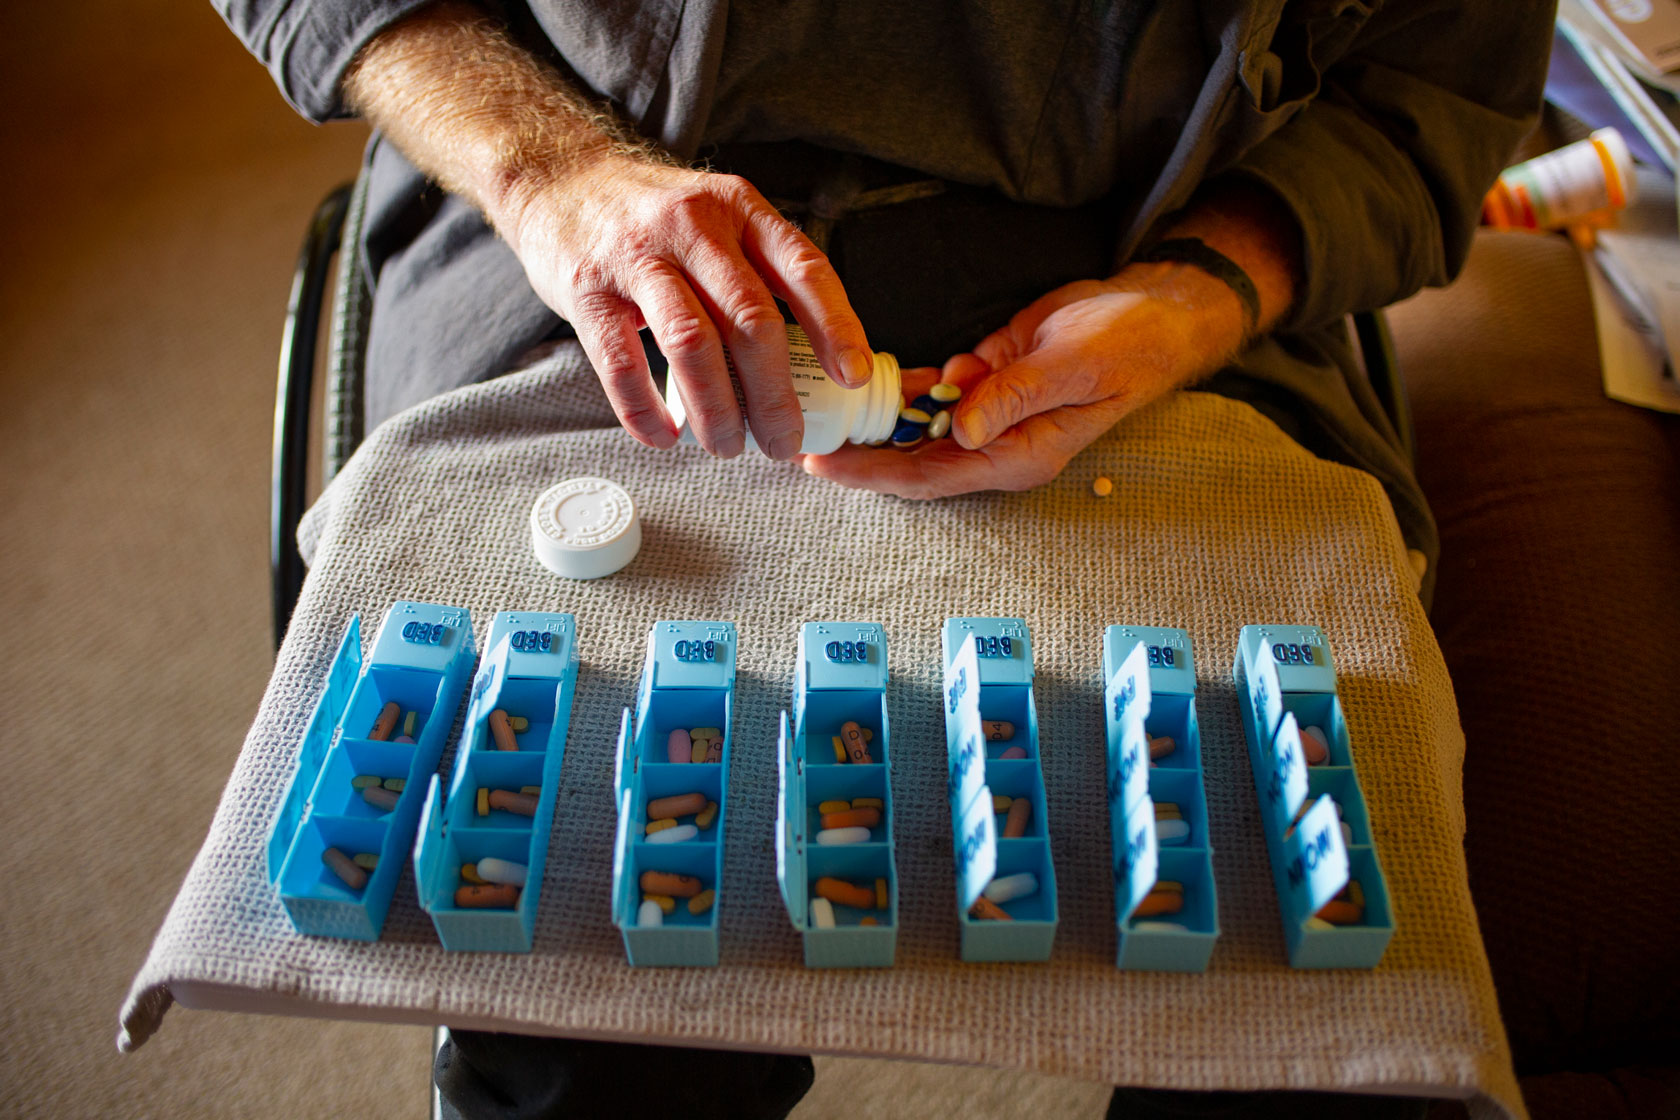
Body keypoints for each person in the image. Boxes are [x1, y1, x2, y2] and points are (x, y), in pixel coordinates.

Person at [216, 1, 1554, 1115]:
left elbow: (1437, 80)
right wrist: (547, 170)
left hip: (1154, 230)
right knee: (575, 951)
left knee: (1306, 1009)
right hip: (585, 184)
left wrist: (1210, 287)